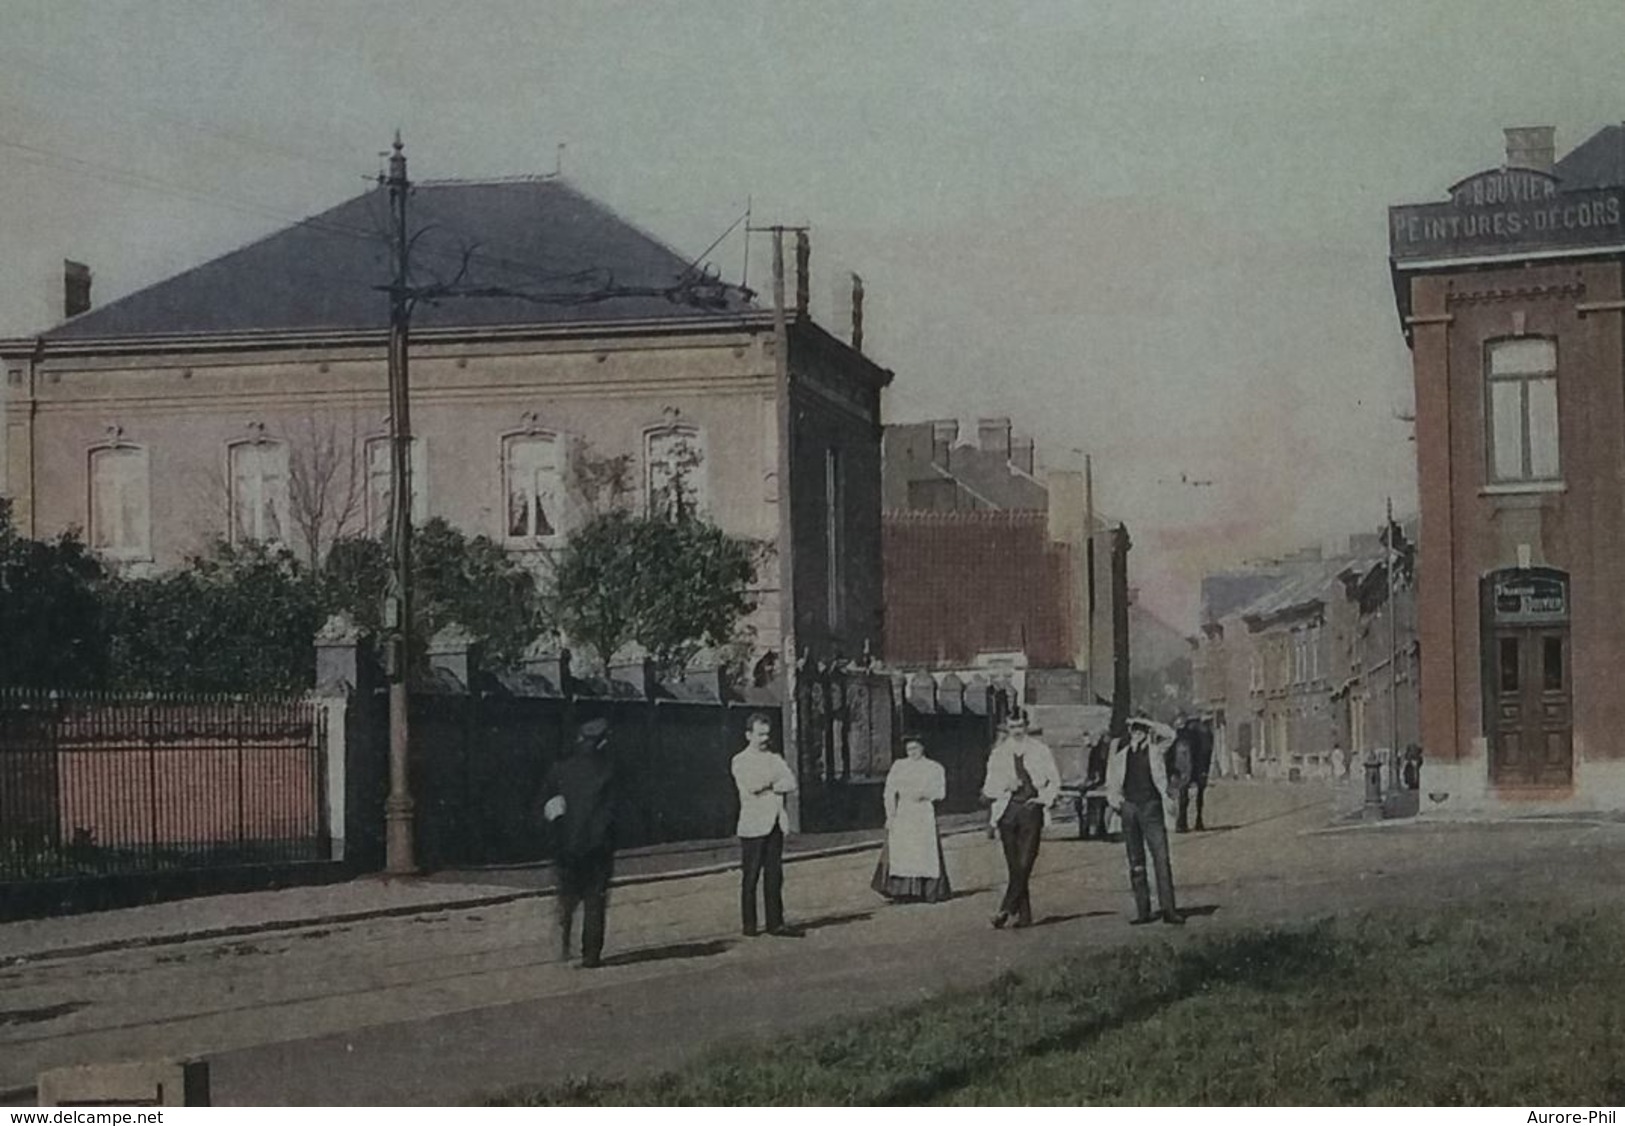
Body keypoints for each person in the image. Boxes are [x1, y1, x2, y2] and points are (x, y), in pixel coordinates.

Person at [539, 717, 618, 968]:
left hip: (566, 847)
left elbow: (546, 804)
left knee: (566, 899)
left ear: (580, 739)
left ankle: (561, 947)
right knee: (595, 901)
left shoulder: (560, 769)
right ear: (602, 742)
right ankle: (591, 955)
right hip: (598, 848)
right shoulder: (610, 771)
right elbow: (617, 811)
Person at [981, 712, 1060, 929]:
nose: (1016, 730)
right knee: (1014, 865)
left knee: (1026, 860)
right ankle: (1024, 916)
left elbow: (1054, 780)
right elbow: (989, 787)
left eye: (1020, 726)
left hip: (1031, 809)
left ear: (1026, 726)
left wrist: (1042, 799)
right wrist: (1007, 784)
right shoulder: (998, 754)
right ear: (1007, 728)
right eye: (1012, 726)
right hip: (1007, 811)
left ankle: (1005, 908)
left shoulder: (1040, 750)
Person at [1105, 717, 1183, 926]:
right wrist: (1118, 804)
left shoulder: (1156, 751)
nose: (1138, 734)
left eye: (1142, 731)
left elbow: (1171, 735)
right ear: (1130, 733)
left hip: (1151, 808)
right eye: (1135, 730)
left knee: (1161, 858)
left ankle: (1169, 910)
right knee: (1136, 861)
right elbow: (1111, 785)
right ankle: (1143, 911)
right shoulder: (1120, 757)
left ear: (1147, 732)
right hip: (1130, 809)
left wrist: (1146, 722)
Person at [731, 711, 798, 936]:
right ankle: (749, 925)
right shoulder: (740, 760)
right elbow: (751, 785)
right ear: (748, 735)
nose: (764, 739)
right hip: (752, 826)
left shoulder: (775, 758)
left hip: (774, 823)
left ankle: (775, 922)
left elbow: (790, 782)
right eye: (759, 734)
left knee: (774, 875)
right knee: (750, 877)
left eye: (767, 734)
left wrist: (772, 784)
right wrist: (773, 781)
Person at [872, 734, 951, 902]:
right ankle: (902, 891)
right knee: (904, 851)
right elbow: (889, 792)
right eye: (909, 749)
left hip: (923, 812)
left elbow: (941, 792)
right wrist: (890, 815)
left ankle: (927, 890)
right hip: (904, 812)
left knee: (924, 850)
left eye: (915, 748)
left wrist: (926, 794)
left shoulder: (934, 768)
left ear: (923, 748)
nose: (912, 752)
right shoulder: (899, 766)